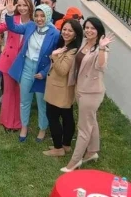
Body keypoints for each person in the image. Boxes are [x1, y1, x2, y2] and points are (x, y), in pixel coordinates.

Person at [61, 18, 114, 172]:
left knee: (84, 127)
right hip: (80, 88)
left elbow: (101, 66)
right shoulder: (85, 42)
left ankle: (75, 161)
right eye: (87, 27)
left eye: (92, 28)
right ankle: (92, 152)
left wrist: (103, 49)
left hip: (91, 92)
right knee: (92, 121)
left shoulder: (101, 48)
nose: (89, 30)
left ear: (99, 30)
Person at [5, 1, 60, 142]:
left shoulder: (55, 34)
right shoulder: (30, 26)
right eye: (37, 15)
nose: (39, 19)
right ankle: (24, 126)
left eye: (42, 16)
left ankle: (42, 128)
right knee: (25, 100)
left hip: (42, 71)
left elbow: (56, 57)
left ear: (48, 16)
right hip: (27, 67)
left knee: (41, 102)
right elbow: (13, 27)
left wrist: (44, 72)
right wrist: (10, 13)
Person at [0, 0, 29, 132]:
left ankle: (18, 122)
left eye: (25, 5)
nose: (23, 8)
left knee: (20, 92)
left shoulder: (33, 23)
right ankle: (7, 121)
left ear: (30, 7)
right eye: (20, 5)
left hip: (24, 62)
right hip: (9, 60)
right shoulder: (14, 19)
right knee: (9, 91)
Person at [44, 19, 83, 157]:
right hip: (61, 89)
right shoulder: (66, 47)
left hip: (59, 90)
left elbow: (62, 70)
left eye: (70, 30)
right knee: (67, 117)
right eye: (64, 29)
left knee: (53, 117)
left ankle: (58, 148)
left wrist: (54, 55)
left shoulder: (72, 52)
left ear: (76, 34)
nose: (66, 32)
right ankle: (66, 145)